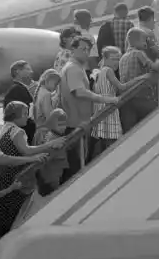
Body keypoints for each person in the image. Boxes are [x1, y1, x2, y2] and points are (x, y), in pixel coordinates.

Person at [0, 101, 59, 238]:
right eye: (25, 114)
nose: (27, 117)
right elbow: (26, 151)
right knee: (17, 210)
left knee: (4, 212)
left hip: (2, 174)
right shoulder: (17, 131)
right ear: (16, 115)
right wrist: (49, 145)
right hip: (14, 175)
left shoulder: (4, 128)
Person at [59, 36, 118, 183]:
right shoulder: (73, 68)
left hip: (78, 123)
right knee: (76, 169)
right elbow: (79, 92)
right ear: (73, 49)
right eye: (83, 49)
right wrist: (106, 99)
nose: (86, 52)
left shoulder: (75, 67)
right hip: (76, 125)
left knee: (77, 166)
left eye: (88, 49)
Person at [118, 28, 159, 133]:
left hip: (127, 98)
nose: (146, 43)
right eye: (144, 40)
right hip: (141, 96)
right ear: (136, 41)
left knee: (131, 131)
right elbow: (154, 67)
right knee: (155, 118)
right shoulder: (139, 53)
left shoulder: (122, 58)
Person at [89, 46, 141, 160]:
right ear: (105, 59)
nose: (116, 62)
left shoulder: (98, 72)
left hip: (100, 107)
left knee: (103, 141)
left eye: (118, 59)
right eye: (113, 59)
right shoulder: (108, 71)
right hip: (109, 107)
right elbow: (122, 87)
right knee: (112, 140)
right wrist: (138, 79)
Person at [33, 109, 70, 196]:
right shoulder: (52, 138)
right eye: (59, 125)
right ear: (52, 124)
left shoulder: (55, 135)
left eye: (64, 124)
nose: (63, 127)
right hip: (51, 177)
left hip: (55, 174)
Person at [4, 60, 38, 140]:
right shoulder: (17, 90)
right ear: (18, 71)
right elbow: (21, 116)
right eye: (28, 69)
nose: (31, 72)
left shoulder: (16, 88)